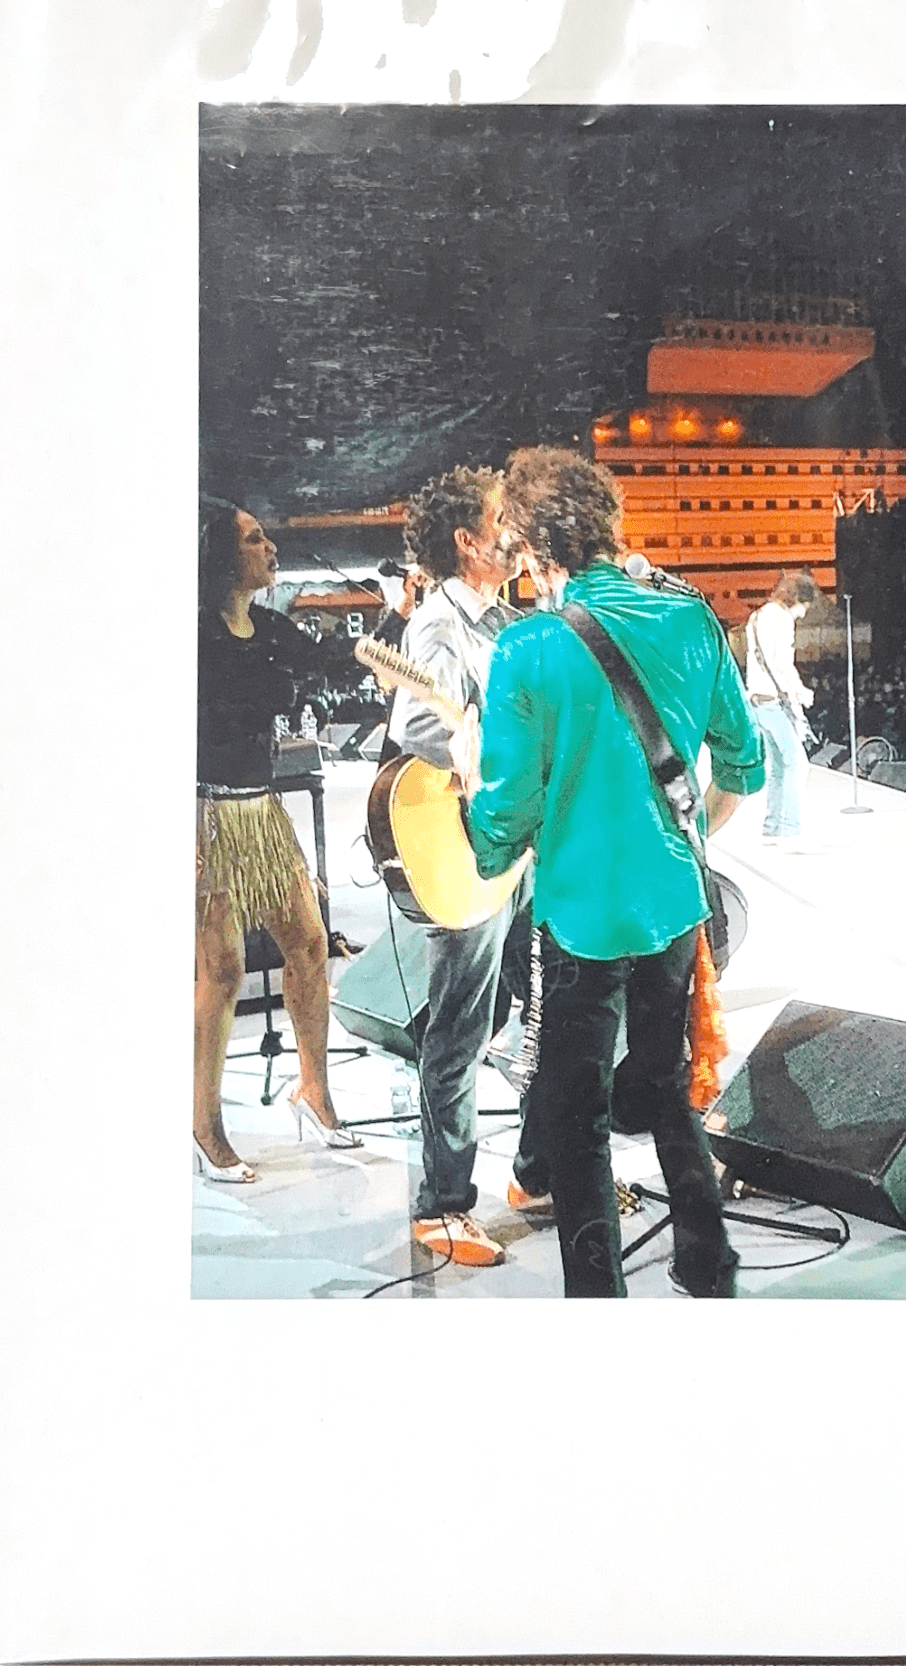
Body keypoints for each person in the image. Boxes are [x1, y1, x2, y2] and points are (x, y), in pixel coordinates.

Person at [454, 447, 765, 1298]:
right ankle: (707, 1263)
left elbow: (502, 829)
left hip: (578, 920)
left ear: (531, 549)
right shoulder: (692, 615)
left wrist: (471, 789)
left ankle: (598, 1302)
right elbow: (745, 766)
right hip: (675, 905)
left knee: (576, 1116)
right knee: (667, 1087)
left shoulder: (526, 648)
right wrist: (680, 831)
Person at [384, 467, 533, 1269]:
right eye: (501, 518)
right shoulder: (439, 622)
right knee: (460, 1027)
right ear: (467, 542)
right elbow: (417, 721)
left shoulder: (509, 618)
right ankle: (441, 1205)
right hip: (469, 847)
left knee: (542, 1001)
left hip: (520, 840)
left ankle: (536, 1173)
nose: (516, 529)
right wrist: (482, 750)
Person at [195, 499, 359, 1181]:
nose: (269, 548)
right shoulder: (193, 633)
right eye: (254, 539)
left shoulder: (270, 628)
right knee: (222, 970)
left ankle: (313, 1090)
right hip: (205, 815)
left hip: (260, 811)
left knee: (310, 944)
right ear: (221, 555)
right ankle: (204, 1125)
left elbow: (331, 660)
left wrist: (395, 626)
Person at [745, 569, 819, 849]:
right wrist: (799, 691)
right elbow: (781, 664)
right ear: (797, 599)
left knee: (778, 765)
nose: (803, 614)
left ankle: (773, 828)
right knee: (797, 764)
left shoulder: (757, 616)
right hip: (774, 700)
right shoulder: (782, 618)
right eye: (804, 606)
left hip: (756, 698)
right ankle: (791, 831)